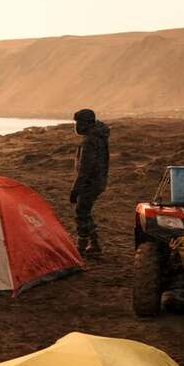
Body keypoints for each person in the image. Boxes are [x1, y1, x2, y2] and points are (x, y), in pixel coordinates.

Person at [70, 108, 110, 257]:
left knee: (81, 212)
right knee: (85, 211)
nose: (76, 126)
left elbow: (85, 169)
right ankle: (94, 244)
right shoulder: (99, 137)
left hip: (90, 183)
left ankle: (82, 245)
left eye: (78, 123)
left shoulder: (89, 141)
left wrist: (75, 190)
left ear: (85, 123)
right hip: (98, 181)